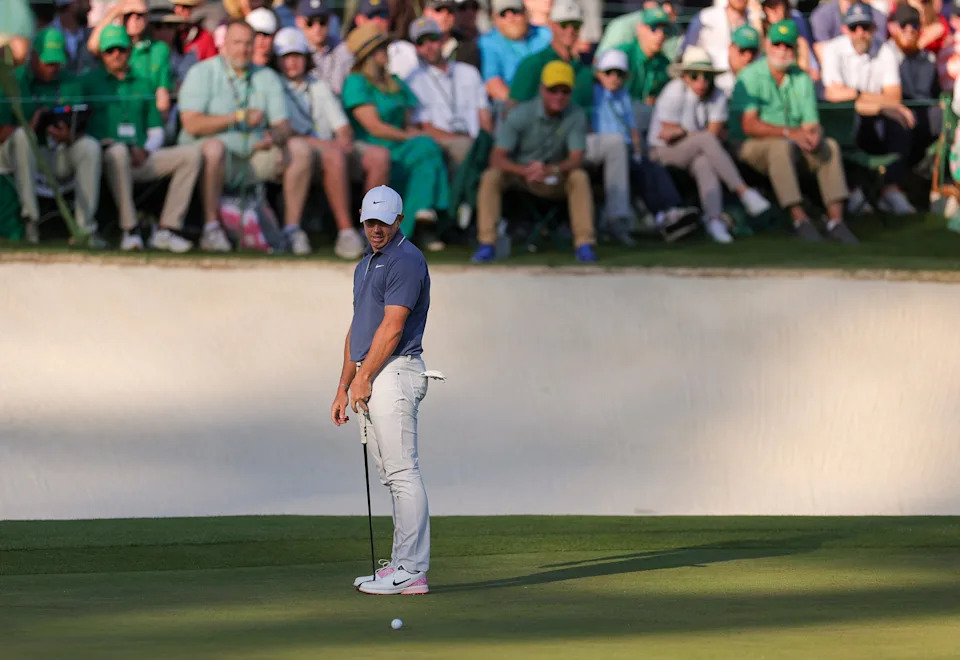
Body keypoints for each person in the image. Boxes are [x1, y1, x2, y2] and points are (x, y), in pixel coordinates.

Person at [331, 184, 434, 597]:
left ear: (399, 219)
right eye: (369, 221)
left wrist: (364, 376)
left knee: (402, 471)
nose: (375, 228)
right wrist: (343, 384)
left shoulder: (406, 260)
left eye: (383, 221)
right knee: (391, 475)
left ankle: (413, 569)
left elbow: (392, 328)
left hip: (395, 371)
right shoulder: (365, 265)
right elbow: (359, 329)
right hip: (373, 375)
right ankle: (401, 566)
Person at [177, 18, 315, 254]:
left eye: (248, 43)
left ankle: (292, 230)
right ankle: (211, 228)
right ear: (224, 45)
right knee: (214, 149)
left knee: (300, 150)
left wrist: (276, 138)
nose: (243, 49)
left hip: (255, 153)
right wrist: (236, 117)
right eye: (237, 43)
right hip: (214, 157)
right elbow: (191, 124)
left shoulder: (266, 77)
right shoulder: (202, 72)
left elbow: (283, 124)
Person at [731, 20, 858, 244]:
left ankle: (836, 221)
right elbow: (749, 125)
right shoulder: (749, 76)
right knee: (781, 147)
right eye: (777, 44)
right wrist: (790, 133)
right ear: (768, 46)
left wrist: (815, 134)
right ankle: (799, 219)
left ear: (795, 49)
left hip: (793, 143)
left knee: (829, 146)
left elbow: (811, 122)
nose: (782, 50)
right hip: (751, 144)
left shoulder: (802, 78)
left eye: (787, 46)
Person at [273, 26, 383, 259]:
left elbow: (341, 125)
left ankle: (373, 229)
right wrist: (332, 145)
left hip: (327, 146)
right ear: (278, 61)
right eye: (286, 57)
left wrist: (343, 138)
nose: (292, 62)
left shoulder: (317, 85)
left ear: (306, 58)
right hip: (301, 150)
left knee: (378, 156)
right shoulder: (274, 86)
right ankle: (345, 231)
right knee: (332, 155)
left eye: (297, 56)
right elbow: (285, 131)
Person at [88, 25, 201, 252]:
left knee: (191, 154)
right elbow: (81, 127)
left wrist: (146, 150)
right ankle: (130, 229)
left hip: (141, 157)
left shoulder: (143, 82)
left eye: (121, 49)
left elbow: (156, 130)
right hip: (104, 158)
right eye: (110, 51)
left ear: (129, 51)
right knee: (118, 153)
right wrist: (128, 147)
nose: (116, 55)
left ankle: (167, 229)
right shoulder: (89, 83)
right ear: (101, 55)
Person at [472, 60, 597, 263]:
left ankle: (584, 244)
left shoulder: (576, 114)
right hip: (520, 175)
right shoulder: (520, 114)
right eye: (553, 90)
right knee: (491, 176)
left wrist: (551, 169)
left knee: (579, 176)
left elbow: (576, 159)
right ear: (541, 89)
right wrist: (524, 170)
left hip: (555, 175)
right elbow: (496, 157)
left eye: (565, 91)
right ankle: (487, 243)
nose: (559, 96)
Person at [341, 23, 450, 246]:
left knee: (428, 147)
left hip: (400, 142)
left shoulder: (395, 82)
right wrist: (411, 137)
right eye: (380, 48)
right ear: (367, 55)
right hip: (374, 144)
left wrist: (418, 136)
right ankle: (432, 213)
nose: (386, 51)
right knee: (423, 147)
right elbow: (374, 127)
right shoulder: (356, 83)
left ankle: (417, 218)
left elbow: (409, 122)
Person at [648, 47, 771, 244]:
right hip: (661, 152)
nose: (701, 82)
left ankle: (714, 220)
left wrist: (687, 133)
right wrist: (690, 133)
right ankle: (743, 192)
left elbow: (712, 134)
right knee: (704, 142)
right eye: (694, 76)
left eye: (706, 76)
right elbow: (668, 134)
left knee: (704, 161)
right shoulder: (673, 91)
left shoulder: (717, 95)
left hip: (694, 149)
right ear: (685, 77)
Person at [0, 27, 102, 245]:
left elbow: (80, 121)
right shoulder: (12, 79)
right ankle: (30, 222)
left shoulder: (71, 81)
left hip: (56, 153)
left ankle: (85, 229)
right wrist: (32, 126)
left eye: (57, 62)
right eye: (48, 62)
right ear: (33, 57)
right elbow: (2, 131)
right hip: (18, 157)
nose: (53, 68)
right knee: (22, 137)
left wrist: (70, 135)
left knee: (89, 147)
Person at [590, 49, 700, 244]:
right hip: (604, 154)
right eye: (609, 73)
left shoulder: (623, 96)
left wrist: (639, 151)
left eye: (619, 74)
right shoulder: (593, 95)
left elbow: (632, 129)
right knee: (641, 168)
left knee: (650, 164)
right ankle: (662, 216)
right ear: (599, 74)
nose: (614, 78)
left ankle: (669, 212)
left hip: (626, 152)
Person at [820, 2, 916, 214]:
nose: (860, 33)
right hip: (843, 119)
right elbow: (833, 95)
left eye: (865, 27)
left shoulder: (884, 49)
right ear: (846, 29)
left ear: (873, 28)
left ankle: (891, 189)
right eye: (855, 28)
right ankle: (854, 191)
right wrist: (875, 103)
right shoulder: (833, 50)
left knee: (902, 119)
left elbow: (894, 96)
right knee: (850, 120)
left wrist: (857, 96)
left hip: (873, 115)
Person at [405, 17, 492, 168]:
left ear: (442, 40)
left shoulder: (468, 72)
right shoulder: (413, 80)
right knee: (464, 148)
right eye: (421, 42)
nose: (428, 46)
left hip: (474, 141)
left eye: (432, 39)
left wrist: (485, 141)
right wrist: (463, 140)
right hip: (444, 144)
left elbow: (485, 116)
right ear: (416, 48)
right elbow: (425, 127)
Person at [89, 0, 173, 116]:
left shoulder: (158, 49)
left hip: (145, 113)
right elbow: (93, 46)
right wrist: (118, 9)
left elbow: (162, 92)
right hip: (114, 111)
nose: (135, 18)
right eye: (129, 15)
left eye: (139, 14)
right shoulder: (114, 46)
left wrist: (156, 124)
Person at [509, 0, 593, 107]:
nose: (570, 30)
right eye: (564, 24)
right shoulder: (532, 65)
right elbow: (513, 110)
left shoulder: (584, 69)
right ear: (551, 25)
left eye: (576, 25)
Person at [328, 0, 419, 94]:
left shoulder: (405, 49)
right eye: (371, 16)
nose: (378, 21)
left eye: (383, 15)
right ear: (359, 20)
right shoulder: (345, 52)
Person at [477, 0, 551, 102]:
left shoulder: (545, 33)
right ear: (495, 18)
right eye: (503, 14)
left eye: (515, 11)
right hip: (513, 106)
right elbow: (493, 83)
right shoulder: (487, 42)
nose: (510, 18)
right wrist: (519, 107)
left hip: (553, 99)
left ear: (526, 13)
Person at [684, 0, 761, 80]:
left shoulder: (755, 18)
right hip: (710, 82)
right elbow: (688, 51)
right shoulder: (705, 17)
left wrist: (757, 20)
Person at [596, 0, 683, 62]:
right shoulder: (621, 26)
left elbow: (671, 62)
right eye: (663, 3)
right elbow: (600, 62)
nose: (669, 9)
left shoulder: (674, 28)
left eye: (674, 3)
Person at [617, 7, 671, 106]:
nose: (661, 34)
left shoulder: (664, 64)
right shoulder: (620, 55)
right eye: (654, 28)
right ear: (640, 28)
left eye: (665, 29)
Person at [295, 0, 351, 88]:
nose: (317, 28)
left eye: (322, 21)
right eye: (310, 22)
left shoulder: (342, 49)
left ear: (329, 20)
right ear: (298, 21)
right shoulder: (294, 51)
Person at [810, 0, 887, 63]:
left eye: (865, 27)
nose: (860, 32)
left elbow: (880, 51)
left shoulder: (877, 16)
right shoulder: (822, 15)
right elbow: (823, 52)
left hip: (870, 68)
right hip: (839, 69)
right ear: (844, 29)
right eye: (853, 28)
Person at [422, 0, 480, 69]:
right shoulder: (413, 47)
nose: (445, 16)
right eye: (438, 10)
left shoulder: (468, 47)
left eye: (450, 11)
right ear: (426, 12)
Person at [52, 0, 95, 74]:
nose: (90, 8)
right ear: (73, 4)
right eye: (85, 1)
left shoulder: (90, 35)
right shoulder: (46, 36)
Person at [716, 24, 759, 97]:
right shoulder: (715, 68)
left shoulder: (762, 70)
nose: (748, 57)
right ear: (730, 48)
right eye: (742, 50)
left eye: (753, 51)